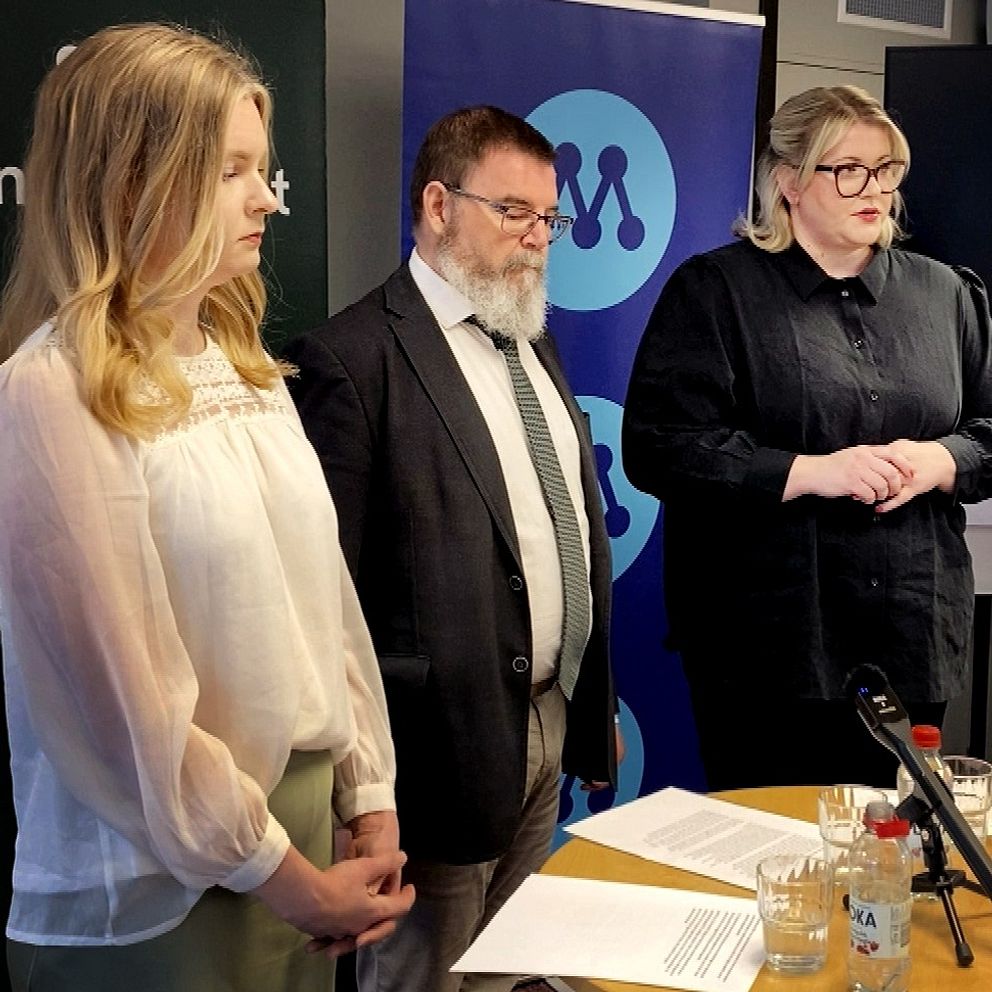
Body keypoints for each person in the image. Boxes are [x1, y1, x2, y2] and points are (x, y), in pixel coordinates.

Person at [0, 23, 414, 991]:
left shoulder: (245, 364)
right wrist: (284, 874)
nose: (266, 196)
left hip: (295, 842)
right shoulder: (52, 389)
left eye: (261, 169)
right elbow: (120, 697)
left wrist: (369, 788)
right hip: (163, 883)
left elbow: (324, 602)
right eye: (231, 170)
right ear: (130, 181)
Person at [285, 105, 619, 992]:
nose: (538, 238)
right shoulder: (350, 359)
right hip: (432, 755)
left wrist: (581, 711)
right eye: (514, 212)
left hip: (544, 722)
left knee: (507, 975)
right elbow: (326, 597)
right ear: (438, 206)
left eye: (550, 218)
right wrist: (359, 793)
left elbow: (559, 529)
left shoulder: (532, 339)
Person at [622, 85, 992, 791]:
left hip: (911, 639)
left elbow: (991, 431)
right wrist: (812, 472)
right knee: (774, 845)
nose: (874, 189)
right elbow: (660, 446)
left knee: (893, 844)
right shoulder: (716, 291)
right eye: (848, 170)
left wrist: (940, 460)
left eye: (885, 169)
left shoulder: (946, 294)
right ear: (789, 181)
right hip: (768, 651)